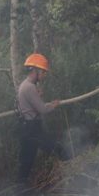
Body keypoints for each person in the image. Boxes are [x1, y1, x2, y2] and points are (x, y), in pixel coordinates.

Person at [16, 53, 66, 187]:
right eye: (43, 72)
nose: (44, 75)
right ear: (35, 71)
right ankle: (71, 167)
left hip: (28, 127)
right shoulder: (29, 87)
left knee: (26, 160)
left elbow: (34, 105)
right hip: (32, 129)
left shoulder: (26, 85)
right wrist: (53, 105)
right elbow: (42, 109)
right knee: (57, 149)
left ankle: (21, 189)